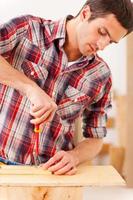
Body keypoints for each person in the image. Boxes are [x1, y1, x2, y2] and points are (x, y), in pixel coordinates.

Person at [0, 0, 132, 175]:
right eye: (102, 32)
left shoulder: (101, 76)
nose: (102, 45)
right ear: (85, 13)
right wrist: (30, 88)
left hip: (54, 176)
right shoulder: (28, 29)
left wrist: (75, 156)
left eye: (110, 42)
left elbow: (95, 138)